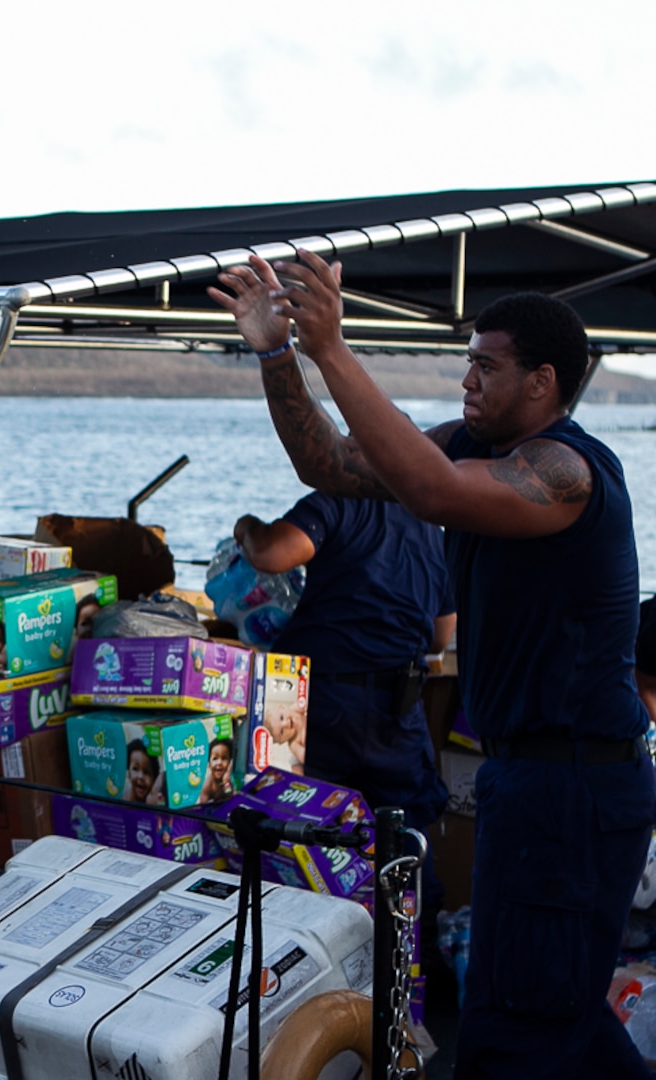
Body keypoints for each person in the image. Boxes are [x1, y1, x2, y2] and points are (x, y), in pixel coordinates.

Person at [212, 252, 654, 1078]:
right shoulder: (473, 447)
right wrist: (280, 354)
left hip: (575, 790)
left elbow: (434, 494)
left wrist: (333, 347)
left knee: (512, 1031)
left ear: (542, 382)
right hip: (530, 782)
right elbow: (332, 466)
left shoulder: (567, 471)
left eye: (486, 367)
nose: (468, 382)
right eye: (467, 365)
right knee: (562, 1018)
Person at [233, 491, 454, 913]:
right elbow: (441, 637)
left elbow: (270, 553)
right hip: (398, 712)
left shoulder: (337, 503)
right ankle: (418, 965)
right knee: (405, 844)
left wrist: (245, 527)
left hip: (323, 707)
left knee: (305, 836)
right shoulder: (432, 527)